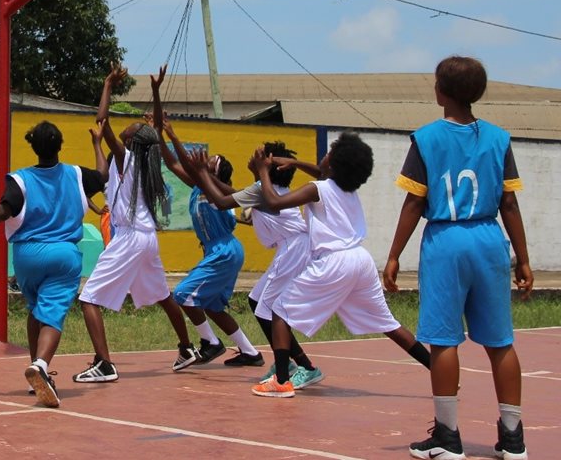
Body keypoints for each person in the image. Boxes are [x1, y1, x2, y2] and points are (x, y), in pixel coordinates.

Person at [190, 132, 431, 398]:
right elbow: (317, 170)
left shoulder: (317, 188)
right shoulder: (345, 187)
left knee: (278, 311)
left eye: (328, 155)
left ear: (334, 165)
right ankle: (435, 368)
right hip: (360, 260)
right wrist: (293, 164)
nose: (322, 158)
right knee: (388, 324)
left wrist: (262, 171)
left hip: (334, 259)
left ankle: (282, 381)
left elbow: (274, 201)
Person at [383, 56, 533, 460]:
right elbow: (510, 203)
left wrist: (394, 255)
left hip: (447, 240)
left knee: (444, 340)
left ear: (441, 92)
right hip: (489, 238)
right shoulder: (499, 138)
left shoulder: (426, 138)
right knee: (501, 341)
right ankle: (514, 439)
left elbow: (415, 202)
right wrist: (523, 257)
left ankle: (448, 437)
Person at [0, 120, 106, 408]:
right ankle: (41, 364)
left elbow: (7, 209)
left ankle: (36, 372)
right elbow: (103, 176)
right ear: (60, 145)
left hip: (27, 256)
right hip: (63, 254)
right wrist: (96, 144)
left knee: (37, 309)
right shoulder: (77, 174)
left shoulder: (19, 179)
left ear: (33, 147)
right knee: (52, 314)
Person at [72, 65, 200, 384]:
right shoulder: (145, 161)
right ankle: (187, 349)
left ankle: (104, 364)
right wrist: (155, 92)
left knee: (88, 299)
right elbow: (155, 127)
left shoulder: (126, 157)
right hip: (146, 238)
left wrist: (106, 85)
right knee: (162, 296)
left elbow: (102, 119)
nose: (129, 126)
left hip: (130, 238)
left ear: (129, 141)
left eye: (129, 129)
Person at [149, 65, 263, 368]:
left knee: (183, 294)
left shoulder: (217, 188)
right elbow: (173, 163)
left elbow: (185, 160)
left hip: (225, 251)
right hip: (220, 251)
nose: (207, 159)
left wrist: (172, 133)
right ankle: (250, 352)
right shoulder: (198, 187)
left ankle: (211, 343)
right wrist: (160, 126)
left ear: (216, 172)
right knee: (211, 306)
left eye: (211, 161)